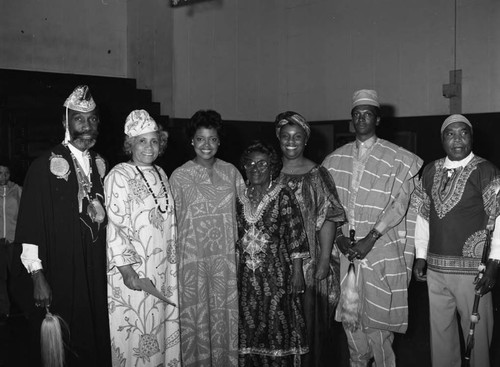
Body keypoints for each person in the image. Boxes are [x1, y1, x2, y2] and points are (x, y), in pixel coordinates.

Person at [322, 89, 422, 367]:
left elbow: (400, 206)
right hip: (348, 254)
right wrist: (340, 239)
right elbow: (328, 205)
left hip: (380, 251)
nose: (361, 119)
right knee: (351, 320)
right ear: (351, 120)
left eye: (368, 114)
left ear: (378, 119)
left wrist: (372, 236)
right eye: (357, 114)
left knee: (379, 325)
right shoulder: (334, 160)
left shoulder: (399, 159)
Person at [15, 85, 112, 366]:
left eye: (93, 119)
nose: (87, 126)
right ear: (65, 122)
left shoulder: (102, 165)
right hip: (60, 272)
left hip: (95, 272)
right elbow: (30, 226)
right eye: (79, 119)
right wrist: (37, 276)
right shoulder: (44, 165)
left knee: (95, 338)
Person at [413, 114, 500, 367]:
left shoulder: (487, 171)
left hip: (474, 272)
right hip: (436, 270)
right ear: (442, 139)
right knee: (440, 336)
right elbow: (423, 217)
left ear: (472, 137)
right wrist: (420, 256)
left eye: (464, 133)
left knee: (478, 339)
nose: (458, 139)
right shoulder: (430, 170)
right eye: (451, 134)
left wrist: (494, 263)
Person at [104, 110, 180, 367]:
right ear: (130, 144)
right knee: (137, 335)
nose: (149, 147)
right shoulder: (118, 175)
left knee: (160, 331)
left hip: (164, 270)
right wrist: (127, 271)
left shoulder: (161, 172)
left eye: (154, 141)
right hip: (135, 273)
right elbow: (115, 227)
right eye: (142, 141)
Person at [170, 109, 245, 366]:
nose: (206, 145)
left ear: (219, 141)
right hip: (193, 263)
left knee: (224, 318)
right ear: (191, 140)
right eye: (200, 139)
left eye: (212, 139)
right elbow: (172, 224)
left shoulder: (232, 173)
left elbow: (246, 216)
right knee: (196, 320)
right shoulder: (179, 177)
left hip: (225, 262)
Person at [275, 111, 346, 366]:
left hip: (311, 262)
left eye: (297, 137)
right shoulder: (270, 173)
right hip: (276, 265)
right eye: (285, 136)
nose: (291, 142)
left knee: (310, 326)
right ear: (278, 139)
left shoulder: (317, 174)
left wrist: (324, 260)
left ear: (306, 140)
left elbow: (328, 217)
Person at [236, 141, 309, 366]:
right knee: (249, 323)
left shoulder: (283, 195)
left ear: (272, 167)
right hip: (246, 277)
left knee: (278, 322)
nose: (255, 168)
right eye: (250, 164)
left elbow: (295, 234)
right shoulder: (238, 197)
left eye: (262, 164)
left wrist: (297, 273)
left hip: (277, 276)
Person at [0, 159, 22, 320]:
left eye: (6, 172)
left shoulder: (18, 190)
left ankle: (24, 309)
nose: (3, 176)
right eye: (0, 173)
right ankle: (4, 311)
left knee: (17, 276)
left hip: (13, 241)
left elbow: (26, 215)